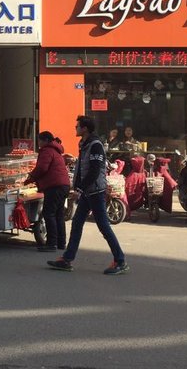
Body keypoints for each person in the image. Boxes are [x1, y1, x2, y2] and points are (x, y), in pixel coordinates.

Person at [47, 115, 129, 275]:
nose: (75, 128)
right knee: (77, 223)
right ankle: (67, 259)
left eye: (77, 126)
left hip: (96, 192)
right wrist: (78, 186)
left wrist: (79, 189)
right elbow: (82, 169)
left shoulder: (95, 145)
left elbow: (94, 171)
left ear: (85, 128)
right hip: (88, 192)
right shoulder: (84, 144)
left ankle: (120, 261)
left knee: (103, 226)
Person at [24, 131, 70, 252]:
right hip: (63, 185)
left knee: (49, 213)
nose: (38, 143)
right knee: (58, 214)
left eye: (39, 140)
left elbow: (42, 168)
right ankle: (61, 243)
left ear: (45, 140)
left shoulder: (47, 150)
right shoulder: (56, 150)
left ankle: (51, 244)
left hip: (54, 186)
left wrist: (30, 178)